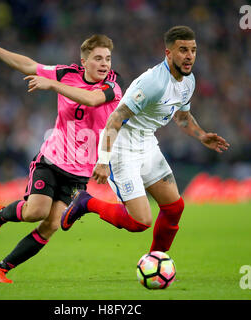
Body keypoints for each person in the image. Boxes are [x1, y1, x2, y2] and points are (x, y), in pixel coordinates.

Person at [0, 28, 123, 283]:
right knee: (35, 212)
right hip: (52, 160)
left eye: (107, 58)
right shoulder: (66, 74)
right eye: (98, 58)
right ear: (84, 61)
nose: (104, 64)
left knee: (51, 225)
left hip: (80, 172)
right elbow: (28, 65)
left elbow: (93, 100)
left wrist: (53, 85)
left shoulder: (112, 88)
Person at [61, 26, 230, 255]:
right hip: (122, 147)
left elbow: (181, 117)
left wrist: (201, 135)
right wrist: (103, 160)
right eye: (182, 50)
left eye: (193, 50)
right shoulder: (153, 83)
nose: (189, 56)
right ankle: (85, 202)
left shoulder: (188, 82)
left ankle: (156, 259)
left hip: (147, 143)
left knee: (174, 207)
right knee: (140, 221)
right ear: (168, 53)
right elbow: (114, 119)